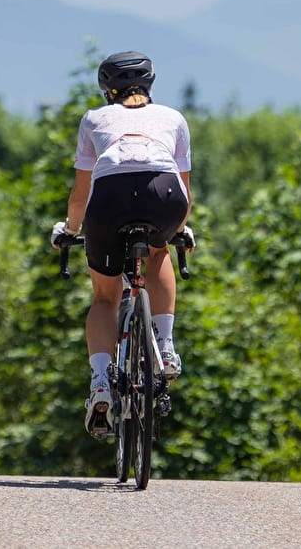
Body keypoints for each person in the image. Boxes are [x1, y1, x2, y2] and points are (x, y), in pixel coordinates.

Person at [52, 51, 194, 438]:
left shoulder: (95, 119)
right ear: (150, 85)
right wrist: (179, 229)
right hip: (163, 193)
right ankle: (165, 347)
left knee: (104, 299)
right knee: (159, 250)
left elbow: (82, 193)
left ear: (106, 89)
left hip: (110, 197)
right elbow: (184, 189)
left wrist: (69, 229)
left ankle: (100, 381)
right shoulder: (173, 118)